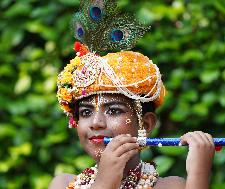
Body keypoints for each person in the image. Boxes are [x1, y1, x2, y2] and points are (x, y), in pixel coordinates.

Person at [48, 1, 215, 189]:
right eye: (86, 112)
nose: (96, 122)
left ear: (145, 124)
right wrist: (104, 183)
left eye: (113, 110)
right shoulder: (62, 184)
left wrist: (198, 173)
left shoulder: (171, 186)